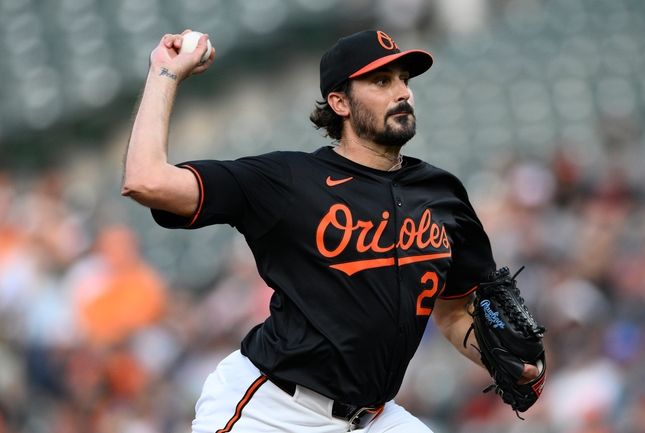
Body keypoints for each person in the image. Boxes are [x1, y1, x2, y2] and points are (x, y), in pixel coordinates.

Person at [122, 29, 538, 433]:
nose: (402, 92)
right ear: (339, 101)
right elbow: (145, 180)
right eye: (380, 81)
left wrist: (509, 364)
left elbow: (453, 310)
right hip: (272, 410)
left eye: (403, 80)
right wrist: (165, 73)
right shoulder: (286, 181)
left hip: (374, 416)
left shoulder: (442, 194)